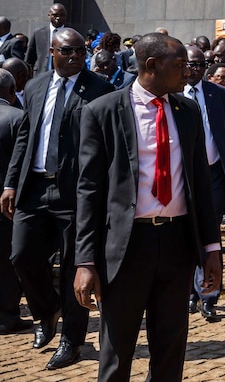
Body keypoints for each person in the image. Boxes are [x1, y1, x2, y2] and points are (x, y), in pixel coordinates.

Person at [73, 32, 221, 382]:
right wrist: (84, 261)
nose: (187, 71)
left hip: (177, 245)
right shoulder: (102, 112)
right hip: (125, 248)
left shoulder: (187, 110)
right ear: (152, 65)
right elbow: (88, 191)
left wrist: (211, 247)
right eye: (180, 64)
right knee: (117, 350)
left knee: (170, 348)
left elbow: (200, 182)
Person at [1, 29, 114, 370]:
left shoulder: (100, 89)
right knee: (21, 255)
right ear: (52, 51)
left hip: (74, 192)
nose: (76, 55)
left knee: (72, 268)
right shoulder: (34, 87)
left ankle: (71, 340)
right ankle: (47, 310)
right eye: (68, 50)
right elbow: (25, 138)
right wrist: (9, 184)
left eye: (81, 50)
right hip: (34, 188)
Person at [184, 46, 225, 322]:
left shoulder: (218, 94)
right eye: (190, 64)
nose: (195, 69)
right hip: (184, 177)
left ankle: (209, 296)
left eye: (200, 65)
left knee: (211, 235)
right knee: (188, 234)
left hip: (214, 175)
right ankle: (190, 291)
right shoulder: (172, 94)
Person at [0, 69, 28, 335]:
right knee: (7, 262)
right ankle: (7, 316)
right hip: (8, 205)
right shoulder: (18, 118)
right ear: (11, 90)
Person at [26, 3, 67, 74]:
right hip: (40, 74)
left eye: (62, 15)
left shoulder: (70, 34)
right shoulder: (38, 33)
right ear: (49, 15)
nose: (58, 18)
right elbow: (30, 57)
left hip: (62, 74)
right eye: (55, 15)